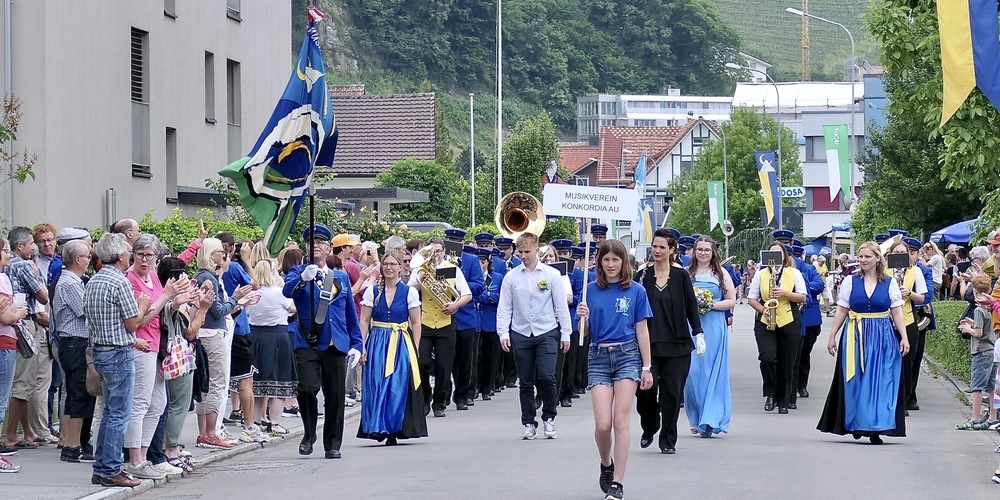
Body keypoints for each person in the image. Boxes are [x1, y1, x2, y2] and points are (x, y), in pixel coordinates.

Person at [574, 239, 652, 500]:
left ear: (623, 261)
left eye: (615, 259)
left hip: (627, 355)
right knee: (603, 425)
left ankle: (618, 482)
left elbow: (642, 329)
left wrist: (647, 366)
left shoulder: (636, 291)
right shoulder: (590, 290)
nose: (610, 264)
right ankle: (606, 463)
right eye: (606, 259)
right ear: (599, 262)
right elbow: (584, 333)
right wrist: (583, 317)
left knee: (620, 420)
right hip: (598, 356)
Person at [817, 242, 910, 444]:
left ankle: (874, 427)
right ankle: (856, 422)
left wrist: (904, 337)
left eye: (867, 256)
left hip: (882, 335)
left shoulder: (889, 283)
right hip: (855, 333)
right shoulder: (850, 281)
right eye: (860, 257)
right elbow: (842, 310)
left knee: (880, 380)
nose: (863, 260)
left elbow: (896, 311)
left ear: (877, 258)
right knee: (855, 379)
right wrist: (832, 336)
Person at [283, 225, 363, 459]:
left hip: (335, 342)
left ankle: (333, 444)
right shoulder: (298, 271)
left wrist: (357, 344)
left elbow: (349, 313)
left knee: (335, 395)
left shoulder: (340, 277)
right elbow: (287, 291)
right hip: (308, 341)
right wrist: (302, 279)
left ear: (329, 249)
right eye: (311, 242)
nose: (315, 246)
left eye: (320, 242)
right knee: (307, 388)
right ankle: (309, 433)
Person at [86, 233, 150, 487]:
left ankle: (102, 467)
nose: (129, 254)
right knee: (119, 414)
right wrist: (142, 305)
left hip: (100, 350)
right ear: (119, 255)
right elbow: (132, 323)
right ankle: (111, 469)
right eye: (127, 250)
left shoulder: (94, 280)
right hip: (118, 352)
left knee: (110, 412)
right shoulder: (120, 282)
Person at [124, 235, 188, 480]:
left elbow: (160, 311)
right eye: (140, 254)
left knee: (158, 403)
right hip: (140, 345)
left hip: (157, 345)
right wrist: (166, 297)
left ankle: (144, 456)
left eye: (149, 255)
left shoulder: (151, 276)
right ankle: (135, 460)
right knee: (140, 403)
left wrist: (175, 302)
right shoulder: (130, 280)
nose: (144, 260)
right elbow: (139, 319)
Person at [634, 229, 702, 454]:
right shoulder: (642, 276)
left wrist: (698, 332)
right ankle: (650, 424)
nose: (657, 250)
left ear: (672, 250)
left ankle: (668, 439)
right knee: (645, 391)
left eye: (662, 247)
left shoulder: (681, 276)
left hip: (677, 345)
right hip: (649, 345)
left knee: (672, 394)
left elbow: (691, 306)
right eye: (654, 246)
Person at [497, 232, 572, 440]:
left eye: (527, 251)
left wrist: (566, 333)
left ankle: (549, 417)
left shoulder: (552, 274)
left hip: (546, 330)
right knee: (525, 380)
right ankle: (529, 422)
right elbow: (505, 307)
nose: (523, 256)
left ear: (537, 250)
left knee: (547, 376)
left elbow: (560, 305)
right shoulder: (511, 277)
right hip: (521, 331)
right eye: (520, 252)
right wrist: (503, 332)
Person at [192, 238, 257, 450]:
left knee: (206, 384)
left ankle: (206, 432)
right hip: (213, 334)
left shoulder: (202, 275)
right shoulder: (208, 277)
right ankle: (210, 432)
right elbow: (218, 310)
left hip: (205, 332)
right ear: (212, 255)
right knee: (216, 384)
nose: (225, 255)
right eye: (221, 252)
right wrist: (236, 298)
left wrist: (236, 302)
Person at [357, 251, 427, 444]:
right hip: (377, 341)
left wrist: (415, 348)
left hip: (401, 341)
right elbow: (364, 321)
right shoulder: (372, 291)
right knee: (378, 383)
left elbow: (416, 322)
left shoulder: (409, 292)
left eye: (393, 264)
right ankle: (378, 426)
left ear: (400, 267)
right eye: (386, 264)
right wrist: (362, 345)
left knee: (397, 384)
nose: (389, 267)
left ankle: (394, 427)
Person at [407, 238, 472, 418]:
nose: (436, 254)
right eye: (433, 251)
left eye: (438, 251)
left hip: (446, 322)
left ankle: (439, 403)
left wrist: (455, 305)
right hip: (425, 322)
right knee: (421, 361)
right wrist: (419, 283)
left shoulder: (452, 269)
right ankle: (425, 397)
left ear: (444, 251)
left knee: (445, 366)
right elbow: (408, 291)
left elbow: (467, 294)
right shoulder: (420, 270)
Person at [2, 227, 50, 452]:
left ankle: (28, 430)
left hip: (12, 324)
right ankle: (11, 435)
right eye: (31, 243)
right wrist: (36, 273)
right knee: (25, 381)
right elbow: (43, 296)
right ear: (19, 246)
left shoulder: (6, 268)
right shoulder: (23, 265)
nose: (34, 247)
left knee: (19, 379)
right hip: (25, 322)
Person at [747, 240, 807, 414]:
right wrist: (762, 309)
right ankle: (770, 394)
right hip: (766, 319)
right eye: (771, 253)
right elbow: (751, 298)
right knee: (767, 357)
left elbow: (802, 297)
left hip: (788, 319)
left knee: (787, 361)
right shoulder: (761, 274)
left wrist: (784, 293)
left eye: (778, 253)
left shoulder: (794, 273)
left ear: (784, 256)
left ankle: (784, 400)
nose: (775, 257)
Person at [684, 236, 735, 437]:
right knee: (692, 372)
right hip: (691, 325)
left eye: (707, 250)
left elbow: (731, 300)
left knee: (712, 371)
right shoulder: (687, 273)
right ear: (694, 251)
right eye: (700, 249)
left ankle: (710, 419)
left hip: (714, 325)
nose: (703, 253)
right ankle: (696, 416)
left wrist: (710, 304)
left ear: (713, 252)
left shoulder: (721, 273)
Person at [52, 240, 96, 464]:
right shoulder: (70, 283)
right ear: (77, 259)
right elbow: (85, 310)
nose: (89, 260)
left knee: (75, 393)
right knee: (79, 393)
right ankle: (73, 444)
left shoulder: (72, 281)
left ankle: (72, 443)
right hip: (74, 342)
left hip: (72, 342)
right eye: (87, 256)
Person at [246, 259, 298, 436]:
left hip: (256, 336)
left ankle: (256, 420)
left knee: (258, 382)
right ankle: (275, 422)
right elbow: (294, 308)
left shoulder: (252, 293)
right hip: (277, 335)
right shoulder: (279, 292)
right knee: (280, 380)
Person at [444, 229, 485, 410]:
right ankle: (443, 396)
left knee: (465, 360)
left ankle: (462, 395)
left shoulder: (471, 260)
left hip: (465, 317)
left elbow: (479, 287)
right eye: (450, 241)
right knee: (445, 360)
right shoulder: (439, 260)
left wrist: (458, 283)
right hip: (443, 316)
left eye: (456, 242)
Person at [887, 237, 927, 416]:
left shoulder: (915, 271)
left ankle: (902, 403)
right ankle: (887, 400)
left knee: (906, 363)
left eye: (903, 253)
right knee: (887, 362)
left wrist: (909, 293)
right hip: (886, 320)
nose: (900, 256)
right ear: (890, 254)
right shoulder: (884, 270)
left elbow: (923, 297)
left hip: (908, 320)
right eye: (896, 253)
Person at [956, 274, 998, 429]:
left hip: (981, 351)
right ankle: (993, 417)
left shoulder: (979, 310)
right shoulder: (990, 308)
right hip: (992, 350)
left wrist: (968, 329)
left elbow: (979, 333)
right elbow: (986, 328)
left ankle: (975, 419)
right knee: (992, 387)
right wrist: (974, 324)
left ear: (974, 291)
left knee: (977, 386)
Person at [0, 237, 23, 471]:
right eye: (6, 250)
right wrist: (20, 313)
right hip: (3, 342)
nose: (9, 254)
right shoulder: (1, 279)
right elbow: (6, 317)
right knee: (0, 400)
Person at [474, 248, 502, 401]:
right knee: (475, 357)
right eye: (478, 261)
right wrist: (487, 297)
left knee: (490, 356)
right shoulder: (472, 277)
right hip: (476, 320)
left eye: (483, 261)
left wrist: (487, 296)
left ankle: (487, 387)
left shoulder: (497, 277)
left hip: (491, 320)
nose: (480, 264)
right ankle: (475, 386)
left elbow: (501, 297)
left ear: (489, 262)